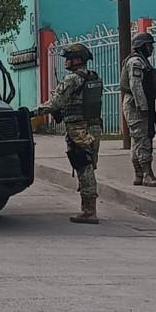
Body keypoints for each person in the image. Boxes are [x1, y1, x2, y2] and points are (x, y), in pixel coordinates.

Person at [32, 43, 103, 224]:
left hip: (78, 129)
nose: (65, 62)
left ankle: (89, 211)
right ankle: (89, 208)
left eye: (68, 58)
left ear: (77, 59)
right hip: (94, 127)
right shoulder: (93, 77)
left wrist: (33, 112)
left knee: (83, 166)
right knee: (89, 165)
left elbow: (54, 103)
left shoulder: (71, 80)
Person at [120, 32, 156, 187]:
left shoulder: (143, 61)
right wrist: (142, 106)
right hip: (136, 105)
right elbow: (136, 85)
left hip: (140, 104)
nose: (151, 48)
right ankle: (147, 174)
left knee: (138, 140)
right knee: (143, 139)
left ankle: (139, 174)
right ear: (141, 46)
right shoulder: (136, 62)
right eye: (149, 45)